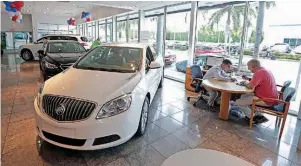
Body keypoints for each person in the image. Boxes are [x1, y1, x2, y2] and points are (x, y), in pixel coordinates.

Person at [234, 59, 278, 124]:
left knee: (239, 102)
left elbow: (250, 86)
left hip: (267, 100)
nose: (249, 69)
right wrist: (248, 79)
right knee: (243, 96)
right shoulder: (265, 70)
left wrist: (245, 82)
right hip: (271, 98)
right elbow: (258, 81)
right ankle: (256, 114)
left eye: (249, 67)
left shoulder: (259, 72)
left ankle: (253, 118)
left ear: (254, 66)